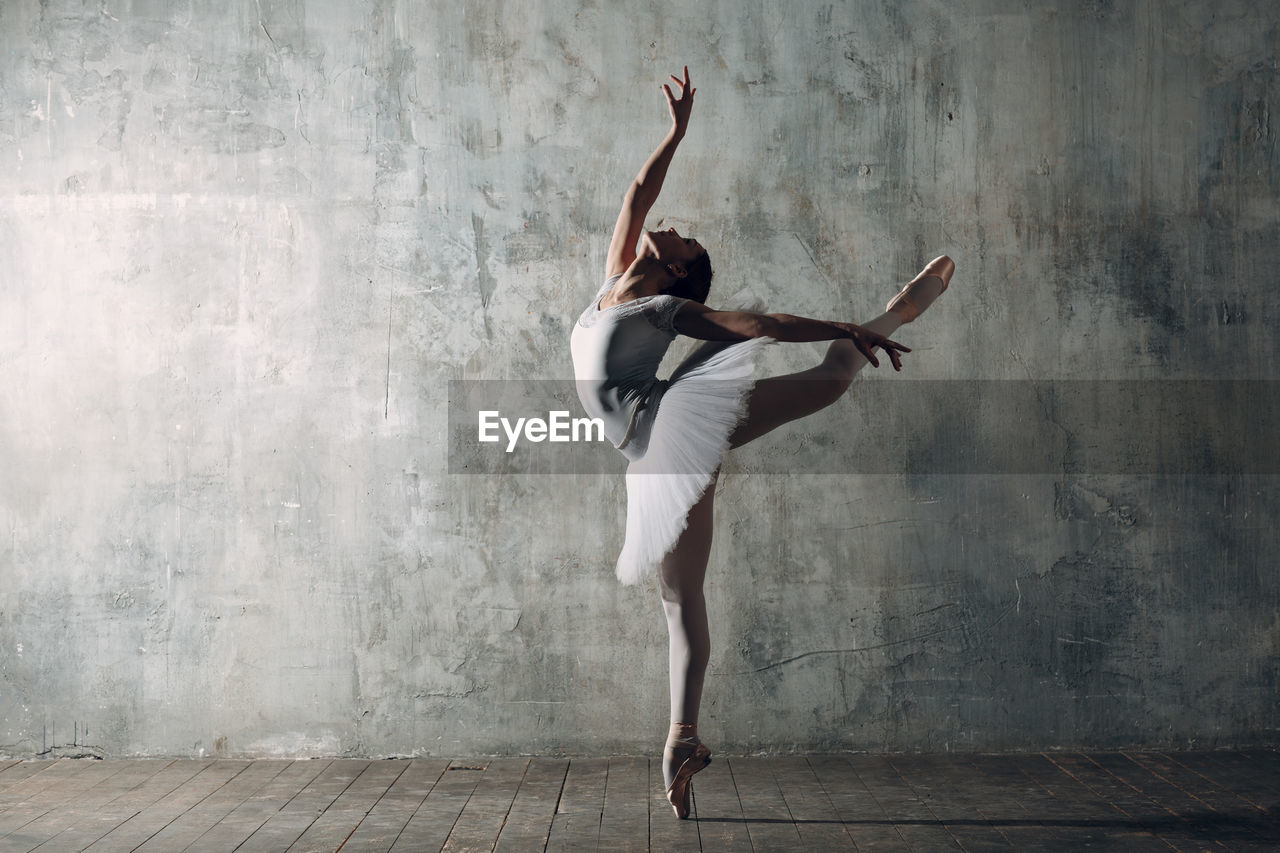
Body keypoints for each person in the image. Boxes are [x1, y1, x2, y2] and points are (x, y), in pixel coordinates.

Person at [569, 66, 955, 819]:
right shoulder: (615, 278)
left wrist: (837, 323)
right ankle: (682, 739)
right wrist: (675, 133)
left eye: (682, 237)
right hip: (648, 459)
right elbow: (635, 195)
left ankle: (882, 320)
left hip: (671, 420)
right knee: (679, 600)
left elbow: (766, 325)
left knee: (820, 373)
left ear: (679, 270)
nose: (670, 224)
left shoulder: (663, 309)